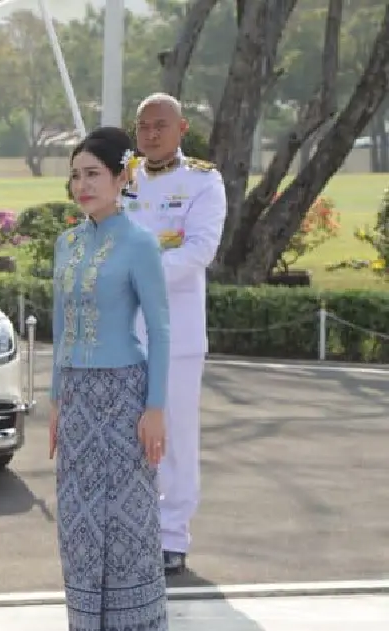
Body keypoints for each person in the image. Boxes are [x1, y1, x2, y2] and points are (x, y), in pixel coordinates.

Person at [49, 126, 171, 631]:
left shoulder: (139, 243)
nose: (83, 185)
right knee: (78, 525)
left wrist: (155, 407)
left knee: (121, 524)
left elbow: (161, 332)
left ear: (122, 177)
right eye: (76, 175)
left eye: (93, 174)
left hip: (124, 396)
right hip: (76, 399)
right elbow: (60, 328)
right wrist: (55, 400)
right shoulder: (67, 243)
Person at [127, 93, 226, 575]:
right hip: (125, 331)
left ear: (181, 128)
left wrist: (140, 273)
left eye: (160, 125)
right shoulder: (124, 178)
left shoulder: (203, 181)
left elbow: (200, 250)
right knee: (128, 435)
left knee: (175, 436)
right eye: (143, 126)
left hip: (177, 331)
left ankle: (172, 534)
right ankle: (135, 525)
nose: (151, 134)